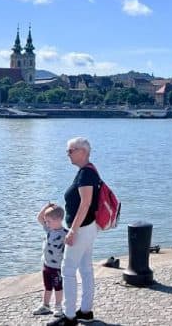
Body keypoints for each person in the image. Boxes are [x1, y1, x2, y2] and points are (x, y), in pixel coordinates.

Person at [48, 138, 100, 326]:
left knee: (67, 271)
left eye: (70, 150)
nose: (67, 154)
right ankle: (85, 311)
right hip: (89, 227)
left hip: (82, 228)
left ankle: (69, 316)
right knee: (86, 269)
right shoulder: (88, 171)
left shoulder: (86, 174)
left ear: (83, 151)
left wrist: (72, 231)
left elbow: (85, 204)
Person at [34, 204, 67, 317]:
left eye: (48, 221)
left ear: (58, 219)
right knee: (47, 287)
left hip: (57, 267)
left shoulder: (65, 234)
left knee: (58, 288)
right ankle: (45, 305)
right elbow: (39, 218)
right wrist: (47, 207)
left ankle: (58, 307)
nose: (46, 223)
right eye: (46, 221)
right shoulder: (49, 229)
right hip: (46, 265)